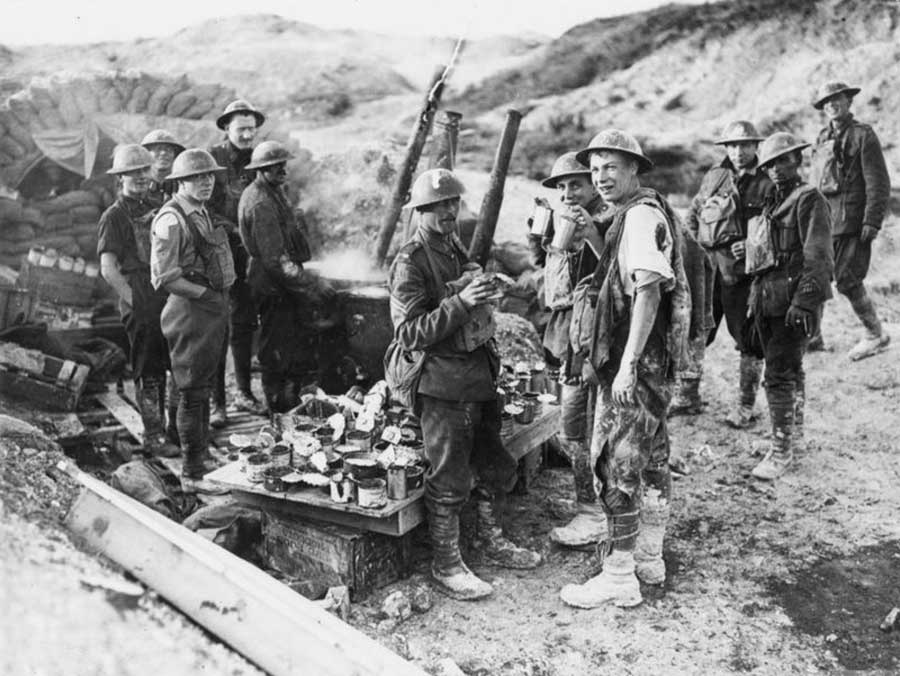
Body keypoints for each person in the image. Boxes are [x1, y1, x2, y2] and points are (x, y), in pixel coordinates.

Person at [388, 168, 541, 601]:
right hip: (440, 381)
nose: (448, 212)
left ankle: (489, 539)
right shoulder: (410, 261)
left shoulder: (450, 245)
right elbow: (410, 334)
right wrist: (461, 302)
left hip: (476, 371)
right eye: (438, 206)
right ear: (420, 211)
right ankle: (447, 563)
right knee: (449, 471)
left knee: (493, 458)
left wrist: (482, 280)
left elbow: (465, 276)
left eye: (453, 204)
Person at [560, 129, 691, 609]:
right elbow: (622, 273)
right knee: (652, 456)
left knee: (616, 463)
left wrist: (627, 366)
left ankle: (618, 575)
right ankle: (649, 557)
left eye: (611, 167)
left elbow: (648, 291)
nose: (601, 177)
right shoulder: (638, 213)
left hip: (637, 359)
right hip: (654, 359)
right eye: (595, 170)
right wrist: (595, 238)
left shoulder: (637, 217)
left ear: (635, 168)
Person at [526, 152, 609, 549]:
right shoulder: (564, 219)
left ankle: (595, 515)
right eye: (561, 187)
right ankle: (592, 507)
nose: (568, 193)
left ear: (593, 182)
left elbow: (613, 274)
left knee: (589, 428)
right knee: (575, 426)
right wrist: (538, 243)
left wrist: (589, 232)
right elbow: (552, 274)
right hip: (566, 332)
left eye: (576, 184)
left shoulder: (608, 220)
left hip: (592, 336)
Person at [677, 120, 775, 427]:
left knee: (748, 338)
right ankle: (687, 396)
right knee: (697, 330)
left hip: (744, 275)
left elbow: (779, 225)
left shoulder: (768, 181)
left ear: (756, 147)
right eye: (732, 145)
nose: (738, 151)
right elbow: (694, 211)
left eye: (745, 145)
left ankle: (746, 406)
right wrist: (695, 248)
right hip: (709, 270)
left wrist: (751, 246)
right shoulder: (715, 175)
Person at [748, 132, 833, 481]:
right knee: (790, 369)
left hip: (792, 302)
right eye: (770, 164)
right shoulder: (773, 200)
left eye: (784, 161)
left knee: (779, 375)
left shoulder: (808, 198)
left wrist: (805, 302)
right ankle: (791, 436)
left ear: (797, 161)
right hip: (769, 299)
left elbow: (819, 256)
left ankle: (781, 450)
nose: (777, 169)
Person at [150, 149, 235, 494]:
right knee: (192, 394)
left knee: (201, 387)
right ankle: (192, 474)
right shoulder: (171, 219)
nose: (205, 182)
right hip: (190, 312)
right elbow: (165, 278)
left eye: (209, 176)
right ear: (180, 181)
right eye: (197, 177)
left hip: (209, 310)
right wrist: (207, 297)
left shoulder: (200, 212)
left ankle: (200, 457)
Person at [98, 144, 179, 458]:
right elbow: (108, 269)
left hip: (166, 290)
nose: (141, 177)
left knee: (174, 364)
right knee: (149, 369)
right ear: (120, 178)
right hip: (139, 292)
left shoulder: (159, 205)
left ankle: (174, 429)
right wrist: (136, 301)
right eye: (133, 173)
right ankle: (154, 436)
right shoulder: (113, 216)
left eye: (145, 171)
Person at [238, 141, 326, 412]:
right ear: (260, 170)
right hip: (271, 284)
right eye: (274, 167)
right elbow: (276, 259)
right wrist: (310, 283)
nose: (282, 170)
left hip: (279, 281)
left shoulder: (273, 192)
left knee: (286, 342)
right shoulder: (261, 203)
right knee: (274, 346)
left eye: (282, 165)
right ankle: (277, 408)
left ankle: (288, 401)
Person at [810, 81, 891, 360]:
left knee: (848, 279)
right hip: (826, 221)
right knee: (817, 275)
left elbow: (878, 181)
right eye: (827, 102)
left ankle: (875, 334)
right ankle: (813, 337)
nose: (833, 104)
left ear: (849, 102)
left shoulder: (863, 135)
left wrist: (872, 220)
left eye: (838, 99)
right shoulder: (821, 138)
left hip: (854, 221)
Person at [207, 100, 268, 423]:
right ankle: (218, 402)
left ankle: (243, 393)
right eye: (240, 128)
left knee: (244, 324)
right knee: (219, 326)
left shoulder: (258, 161)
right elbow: (204, 209)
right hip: (217, 255)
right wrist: (235, 230)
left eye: (251, 129)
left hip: (248, 257)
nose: (246, 134)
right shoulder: (213, 161)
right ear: (226, 129)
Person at [141, 129, 185, 209]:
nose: (163, 153)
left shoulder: (183, 187)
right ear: (147, 154)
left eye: (168, 149)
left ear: (175, 155)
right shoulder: (139, 186)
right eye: (158, 149)